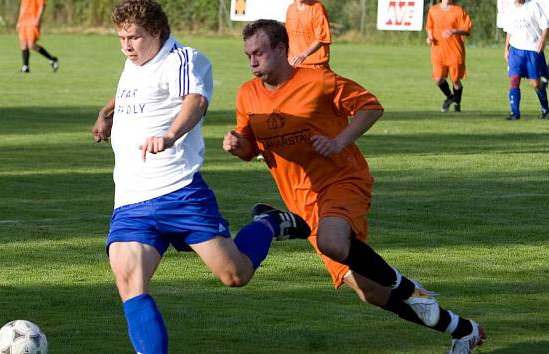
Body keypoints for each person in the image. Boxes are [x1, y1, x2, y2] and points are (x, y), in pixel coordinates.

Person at [223, 19, 486, 354]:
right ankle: (465, 331)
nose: (253, 62)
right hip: (302, 202)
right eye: (248, 55)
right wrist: (236, 146)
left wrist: (340, 140)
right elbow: (250, 149)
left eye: (259, 53)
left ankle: (407, 288)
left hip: (341, 180)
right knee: (370, 292)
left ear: (280, 49)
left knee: (333, 242)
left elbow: (370, 106)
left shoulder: (317, 81)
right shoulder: (247, 94)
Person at [91, 2, 311, 353]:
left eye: (134, 37)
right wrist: (106, 113)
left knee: (234, 275)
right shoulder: (133, 61)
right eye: (121, 38)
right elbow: (129, 92)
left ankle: (268, 222)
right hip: (131, 199)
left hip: (177, 192)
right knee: (130, 282)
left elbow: (195, 101)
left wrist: (170, 135)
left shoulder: (183, 59)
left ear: (157, 33)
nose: (126, 46)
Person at [504, 0, 549, 120]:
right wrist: (506, 48)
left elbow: (545, 26)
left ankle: (545, 109)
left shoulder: (533, 6)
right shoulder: (510, 8)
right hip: (515, 50)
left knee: (535, 84)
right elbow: (509, 30)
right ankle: (515, 113)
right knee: (514, 79)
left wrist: (543, 40)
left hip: (532, 50)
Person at [425, 0, 472, 112]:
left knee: (455, 80)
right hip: (438, 51)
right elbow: (429, 27)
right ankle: (450, 97)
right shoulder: (433, 10)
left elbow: (467, 29)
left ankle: (457, 103)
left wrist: (454, 31)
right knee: (438, 79)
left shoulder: (458, 10)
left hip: (455, 51)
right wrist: (429, 37)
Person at [285, 0, 332, 70]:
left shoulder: (317, 8)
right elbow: (289, 36)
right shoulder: (290, 9)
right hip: (294, 65)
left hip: (315, 66)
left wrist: (304, 55)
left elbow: (322, 38)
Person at [16, 0, 59, 73]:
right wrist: (19, 21)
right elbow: (22, 7)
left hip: (32, 20)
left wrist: (38, 19)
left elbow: (41, 6)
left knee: (31, 45)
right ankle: (25, 67)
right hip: (23, 21)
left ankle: (52, 59)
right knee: (23, 43)